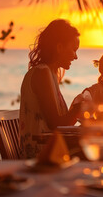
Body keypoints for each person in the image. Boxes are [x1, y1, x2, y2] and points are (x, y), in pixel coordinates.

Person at [19, 19, 81, 159]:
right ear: (59, 47)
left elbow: (58, 125)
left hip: (49, 149)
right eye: (74, 49)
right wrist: (79, 108)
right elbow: (55, 125)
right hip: (40, 154)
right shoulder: (42, 73)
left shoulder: (51, 73)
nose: (76, 56)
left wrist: (77, 108)